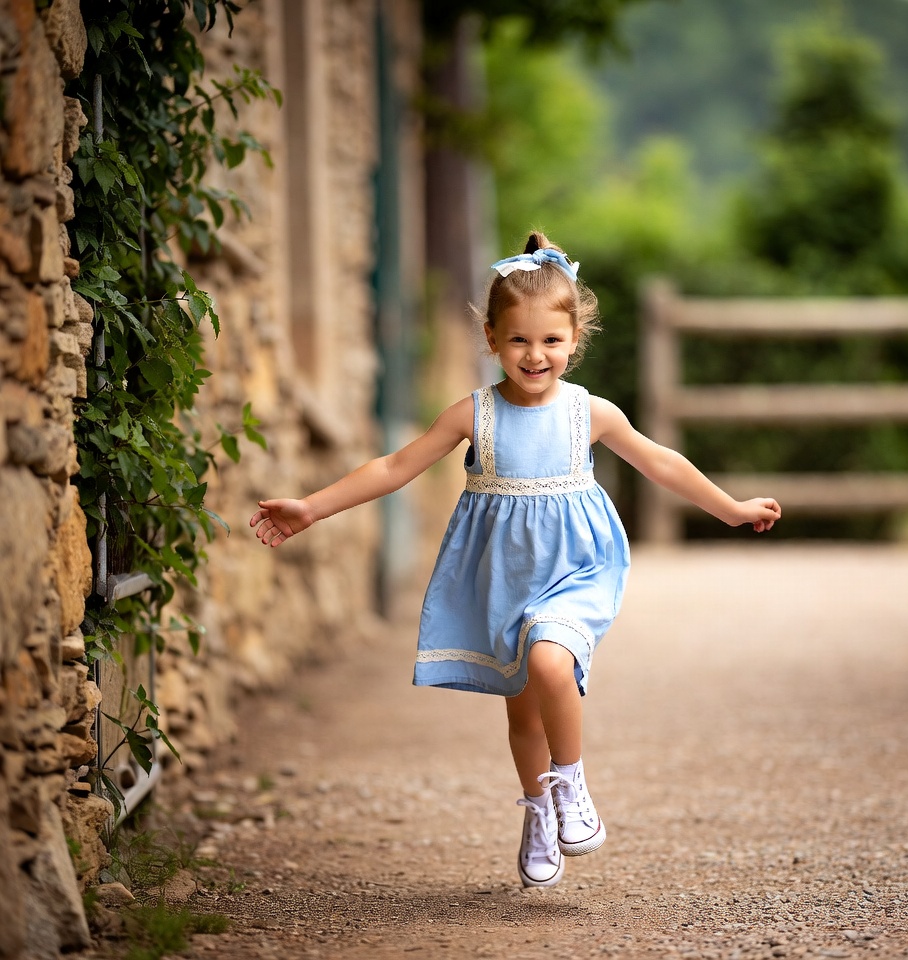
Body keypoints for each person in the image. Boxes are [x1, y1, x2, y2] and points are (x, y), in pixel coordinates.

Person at [250, 231, 781, 890]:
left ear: (574, 340)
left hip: (576, 569)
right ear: (492, 339)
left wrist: (729, 508)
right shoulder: (474, 414)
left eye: (551, 340)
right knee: (524, 714)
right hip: (504, 578)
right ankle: (538, 809)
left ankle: (571, 784)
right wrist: (311, 507)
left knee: (551, 660)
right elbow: (394, 466)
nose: (536, 355)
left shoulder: (590, 413)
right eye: (519, 340)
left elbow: (661, 462)